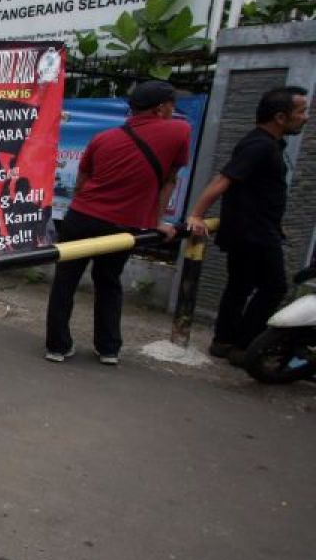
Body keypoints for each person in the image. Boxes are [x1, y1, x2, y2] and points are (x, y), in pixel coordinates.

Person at [44, 80, 191, 365]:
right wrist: (154, 221)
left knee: (65, 281)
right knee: (109, 281)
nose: (174, 110)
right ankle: (108, 348)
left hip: (82, 217)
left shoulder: (104, 138)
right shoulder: (179, 131)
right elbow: (169, 180)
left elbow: (82, 182)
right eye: (172, 105)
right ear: (161, 108)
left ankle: (57, 346)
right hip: (125, 224)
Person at [186, 85, 309, 363]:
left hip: (256, 228)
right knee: (274, 286)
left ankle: (224, 340)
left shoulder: (268, 144)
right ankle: (244, 344)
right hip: (254, 234)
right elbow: (223, 180)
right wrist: (196, 214)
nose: (305, 117)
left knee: (239, 285)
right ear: (280, 117)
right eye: (301, 111)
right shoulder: (259, 145)